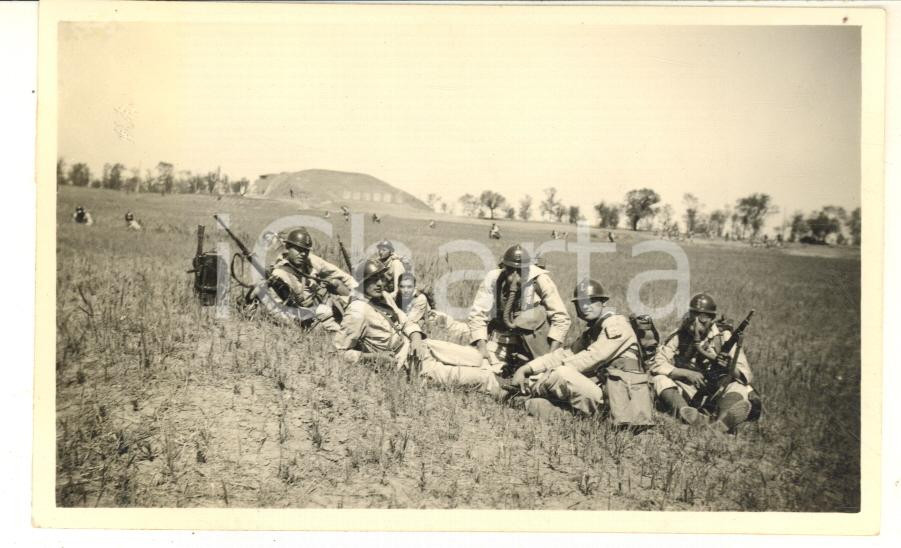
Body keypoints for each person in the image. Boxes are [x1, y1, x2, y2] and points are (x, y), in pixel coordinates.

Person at [335, 260, 502, 394]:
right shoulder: (357, 311)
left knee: (477, 358)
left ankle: (507, 379)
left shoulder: (383, 296)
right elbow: (339, 352)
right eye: (372, 280)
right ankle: (510, 397)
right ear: (361, 284)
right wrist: (373, 357)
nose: (379, 283)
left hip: (422, 346)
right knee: (483, 377)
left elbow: (406, 321)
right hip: (410, 364)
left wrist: (415, 337)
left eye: (380, 277)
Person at [509, 279, 642, 418]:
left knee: (561, 374)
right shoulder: (594, 329)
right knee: (539, 401)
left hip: (621, 398)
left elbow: (592, 357)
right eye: (581, 303)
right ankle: (572, 413)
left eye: (591, 301)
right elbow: (563, 354)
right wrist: (526, 368)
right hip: (605, 391)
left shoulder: (616, 324)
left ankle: (525, 391)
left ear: (604, 302)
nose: (585, 307)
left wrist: (544, 376)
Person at [649, 293, 761, 432]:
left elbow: (746, 376)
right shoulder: (679, 335)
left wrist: (729, 366)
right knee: (660, 380)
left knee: (740, 388)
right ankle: (687, 414)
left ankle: (721, 423)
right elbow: (657, 362)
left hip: (717, 391)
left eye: (703, 317)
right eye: (693, 315)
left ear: (712, 319)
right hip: (690, 390)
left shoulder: (724, 337)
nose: (696, 322)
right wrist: (685, 373)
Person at [467, 244, 571, 378]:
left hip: (531, 345)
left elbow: (561, 318)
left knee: (541, 377)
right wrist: (482, 347)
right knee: (480, 369)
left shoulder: (540, 280)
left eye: (520, 271)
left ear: (528, 269)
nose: (514, 277)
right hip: (500, 341)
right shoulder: (494, 278)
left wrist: (550, 358)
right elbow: (477, 314)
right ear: (503, 267)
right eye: (510, 270)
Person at [251, 228, 357, 331]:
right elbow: (279, 310)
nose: (302, 254)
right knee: (343, 331)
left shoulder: (310, 259)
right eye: (298, 249)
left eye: (305, 251)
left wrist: (357, 290)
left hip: (324, 301)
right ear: (288, 247)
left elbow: (337, 273)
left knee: (337, 284)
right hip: (310, 314)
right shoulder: (279, 274)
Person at [396, 272, 469, 338]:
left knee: (467, 332)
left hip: (438, 322)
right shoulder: (397, 295)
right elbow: (387, 297)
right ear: (398, 287)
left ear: (415, 287)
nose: (405, 290)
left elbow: (409, 322)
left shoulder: (420, 298)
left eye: (409, 287)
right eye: (402, 286)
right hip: (427, 325)